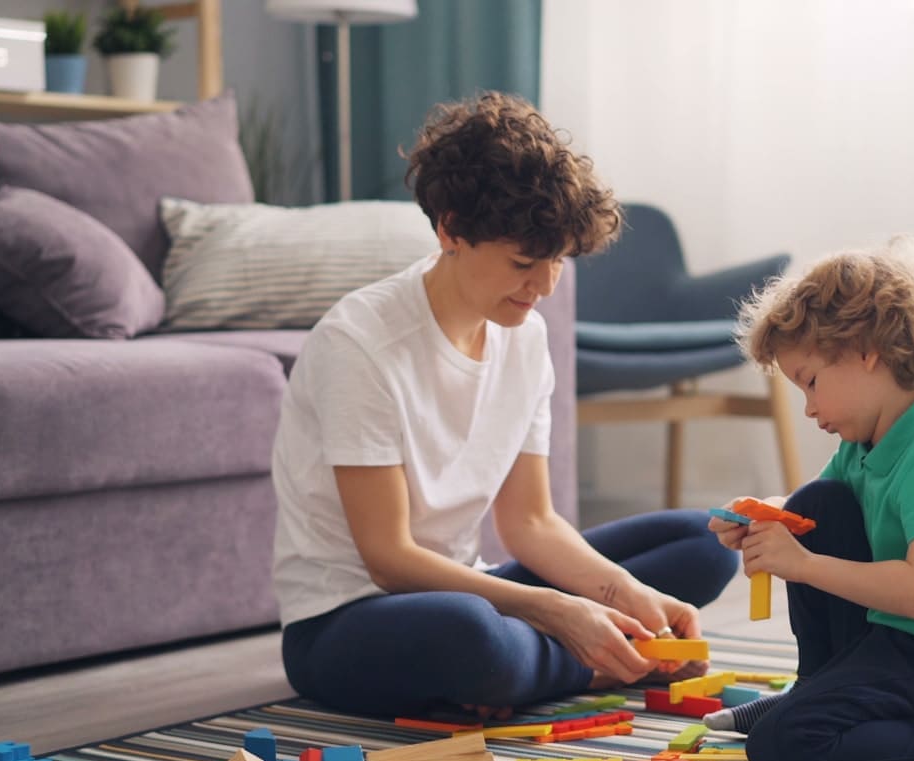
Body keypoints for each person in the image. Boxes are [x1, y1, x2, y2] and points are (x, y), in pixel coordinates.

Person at [272, 91, 739, 719]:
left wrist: (621, 593)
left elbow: (532, 522)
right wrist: (560, 609)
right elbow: (389, 559)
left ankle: (565, 659)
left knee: (701, 542)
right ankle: (596, 661)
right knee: (474, 635)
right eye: (524, 262)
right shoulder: (359, 343)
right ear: (450, 228)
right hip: (351, 620)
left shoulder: (526, 335)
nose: (544, 287)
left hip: (473, 585)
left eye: (556, 263)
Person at [704, 237, 914, 761]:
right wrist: (762, 516)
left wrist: (800, 564)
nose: (808, 407)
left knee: (781, 747)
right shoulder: (866, 446)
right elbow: (812, 521)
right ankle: (818, 687)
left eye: (810, 381)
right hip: (889, 638)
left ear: (864, 351)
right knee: (812, 505)